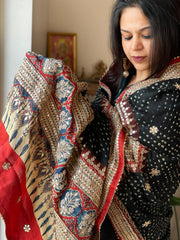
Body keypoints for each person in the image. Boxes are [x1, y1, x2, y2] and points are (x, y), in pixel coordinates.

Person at [0, 0, 179, 240]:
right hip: (95, 220)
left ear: (168, 30)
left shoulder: (172, 93)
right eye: (126, 36)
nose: (135, 46)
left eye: (147, 35)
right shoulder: (120, 72)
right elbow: (96, 121)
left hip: (136, 227)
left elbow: (139, 164)